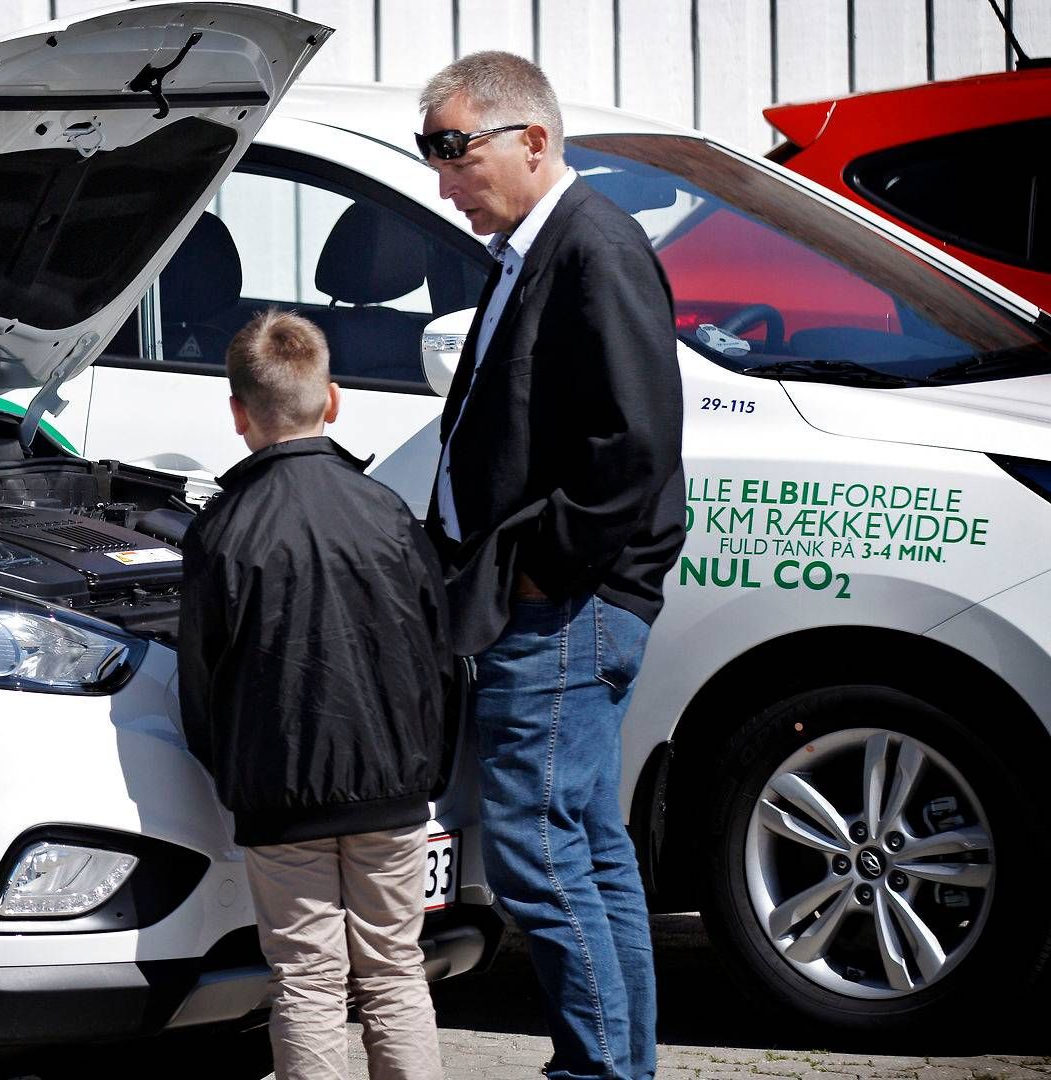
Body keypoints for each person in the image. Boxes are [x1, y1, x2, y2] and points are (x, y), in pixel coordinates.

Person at [419, 51, 684, 1080]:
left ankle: (600, 1071)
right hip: (558, 600)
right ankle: (619, 1068)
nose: (443, 177)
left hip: (564, 607)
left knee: (537, 850)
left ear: (532, 139)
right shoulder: (544, 248)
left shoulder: (592, 249)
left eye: (455, 149)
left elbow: (635, 447)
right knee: (585, 844)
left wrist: (541, 570)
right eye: (432, 153)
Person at [178, 310, 451, 1080]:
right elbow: (438, 654)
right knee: (396, 972)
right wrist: (426, 770)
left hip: (281, 795)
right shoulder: (389, 513)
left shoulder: (222, 530)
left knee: (307, 980)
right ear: (332, 399)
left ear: (239, 415)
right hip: (394, 787)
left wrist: (229, 773)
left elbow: (200, 681)